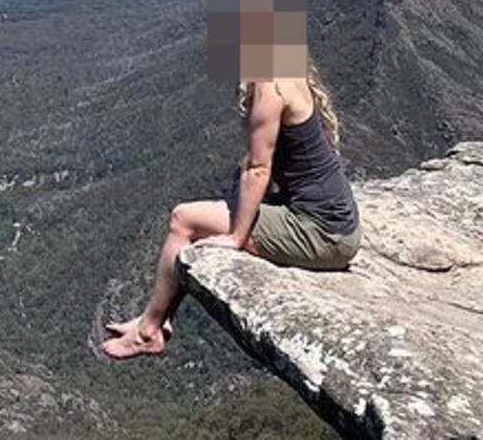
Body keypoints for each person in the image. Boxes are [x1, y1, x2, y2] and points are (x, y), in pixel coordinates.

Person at [100, 60, 361, 360]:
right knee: (214, 208)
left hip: (321, 233)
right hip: (336, 221)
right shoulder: (288, 69)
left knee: (183, 219)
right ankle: (156, 318)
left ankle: (148, 333)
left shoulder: (269, 85)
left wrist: (237, 236)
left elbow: (259, 169)